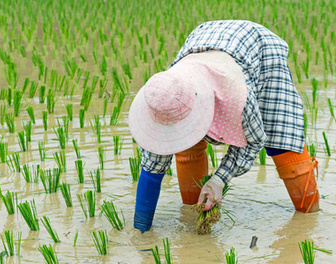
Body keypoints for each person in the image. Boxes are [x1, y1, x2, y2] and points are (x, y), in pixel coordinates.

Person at [128, 20, 320, 233]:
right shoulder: (163, 95)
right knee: (185, 143)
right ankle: (196, 208)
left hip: (256, 47)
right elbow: (152, 170)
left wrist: (219, 180)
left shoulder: (237, 96)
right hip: (203, 42)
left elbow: (254, 142)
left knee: (281, 141)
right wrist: (141, 232)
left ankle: (309, 217)